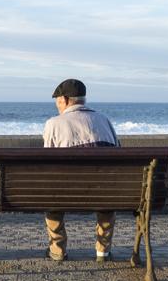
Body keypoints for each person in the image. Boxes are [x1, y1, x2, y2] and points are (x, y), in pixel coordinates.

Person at [42, 78, 120, 262]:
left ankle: (57, 250)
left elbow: (47, 161)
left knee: (51, 200)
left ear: (66, 99)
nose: (57, 105)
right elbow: (117, 153)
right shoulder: (104, 120)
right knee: (106, 200)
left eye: (58, 101)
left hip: (65, 193)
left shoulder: (54, 123)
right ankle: (103, 251)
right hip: (103, 192)